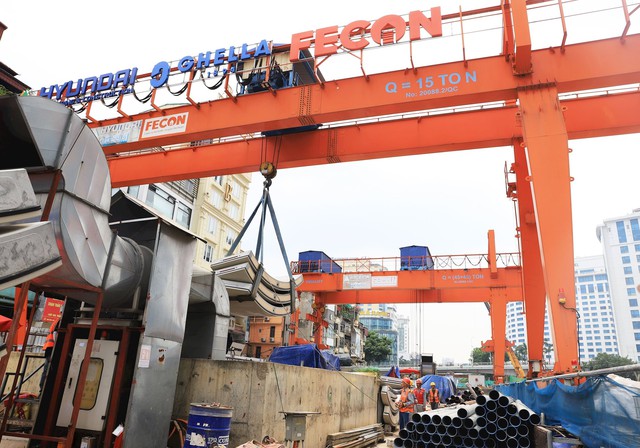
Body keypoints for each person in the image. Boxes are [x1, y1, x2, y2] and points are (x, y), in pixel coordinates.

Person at [39, 320, 58, 394]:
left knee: (46, 370)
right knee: (49, 371)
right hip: (52, 349)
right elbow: (55, 333)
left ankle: (42, 390)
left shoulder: (56, 321)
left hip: (49, 348)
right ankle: (44, 390)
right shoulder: (59, 321)